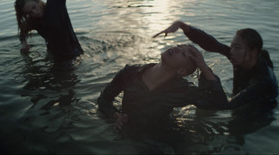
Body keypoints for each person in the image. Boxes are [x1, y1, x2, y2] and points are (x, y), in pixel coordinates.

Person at [97, 44, 226, 131]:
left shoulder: (182, 90)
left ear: (181, 71)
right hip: (127, 133)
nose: (176, 48)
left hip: (161, 137)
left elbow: (219, 103)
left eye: (183, 54)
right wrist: (116, 117)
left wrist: (203, 66)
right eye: (179, 46)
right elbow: (104, 99)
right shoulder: (129, 73)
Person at [153, 21, 278, 110]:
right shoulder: (240, 58)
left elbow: (226, 106)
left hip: (259, 110)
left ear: (253, 52)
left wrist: (202, 65)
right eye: (232, 46)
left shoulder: (263, 81)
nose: (231, 51)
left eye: (237, 47)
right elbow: (214, 44)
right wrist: (182, 25)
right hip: (240, 95)